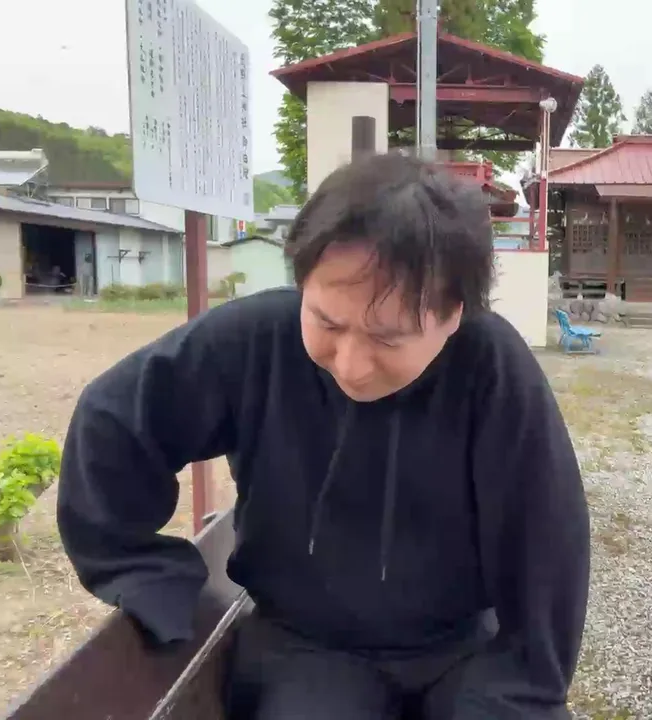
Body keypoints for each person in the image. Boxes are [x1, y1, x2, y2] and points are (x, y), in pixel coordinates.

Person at [56, 152, 591, 719]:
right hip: (305, 648)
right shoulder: (256, 339)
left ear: (452, 315)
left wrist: (524, 679)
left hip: (459, 646)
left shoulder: (490, 366)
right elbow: (115, 418)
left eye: (388, 339)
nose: (352, 366)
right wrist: (137, 569)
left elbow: (547, 532)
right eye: (327, 323)